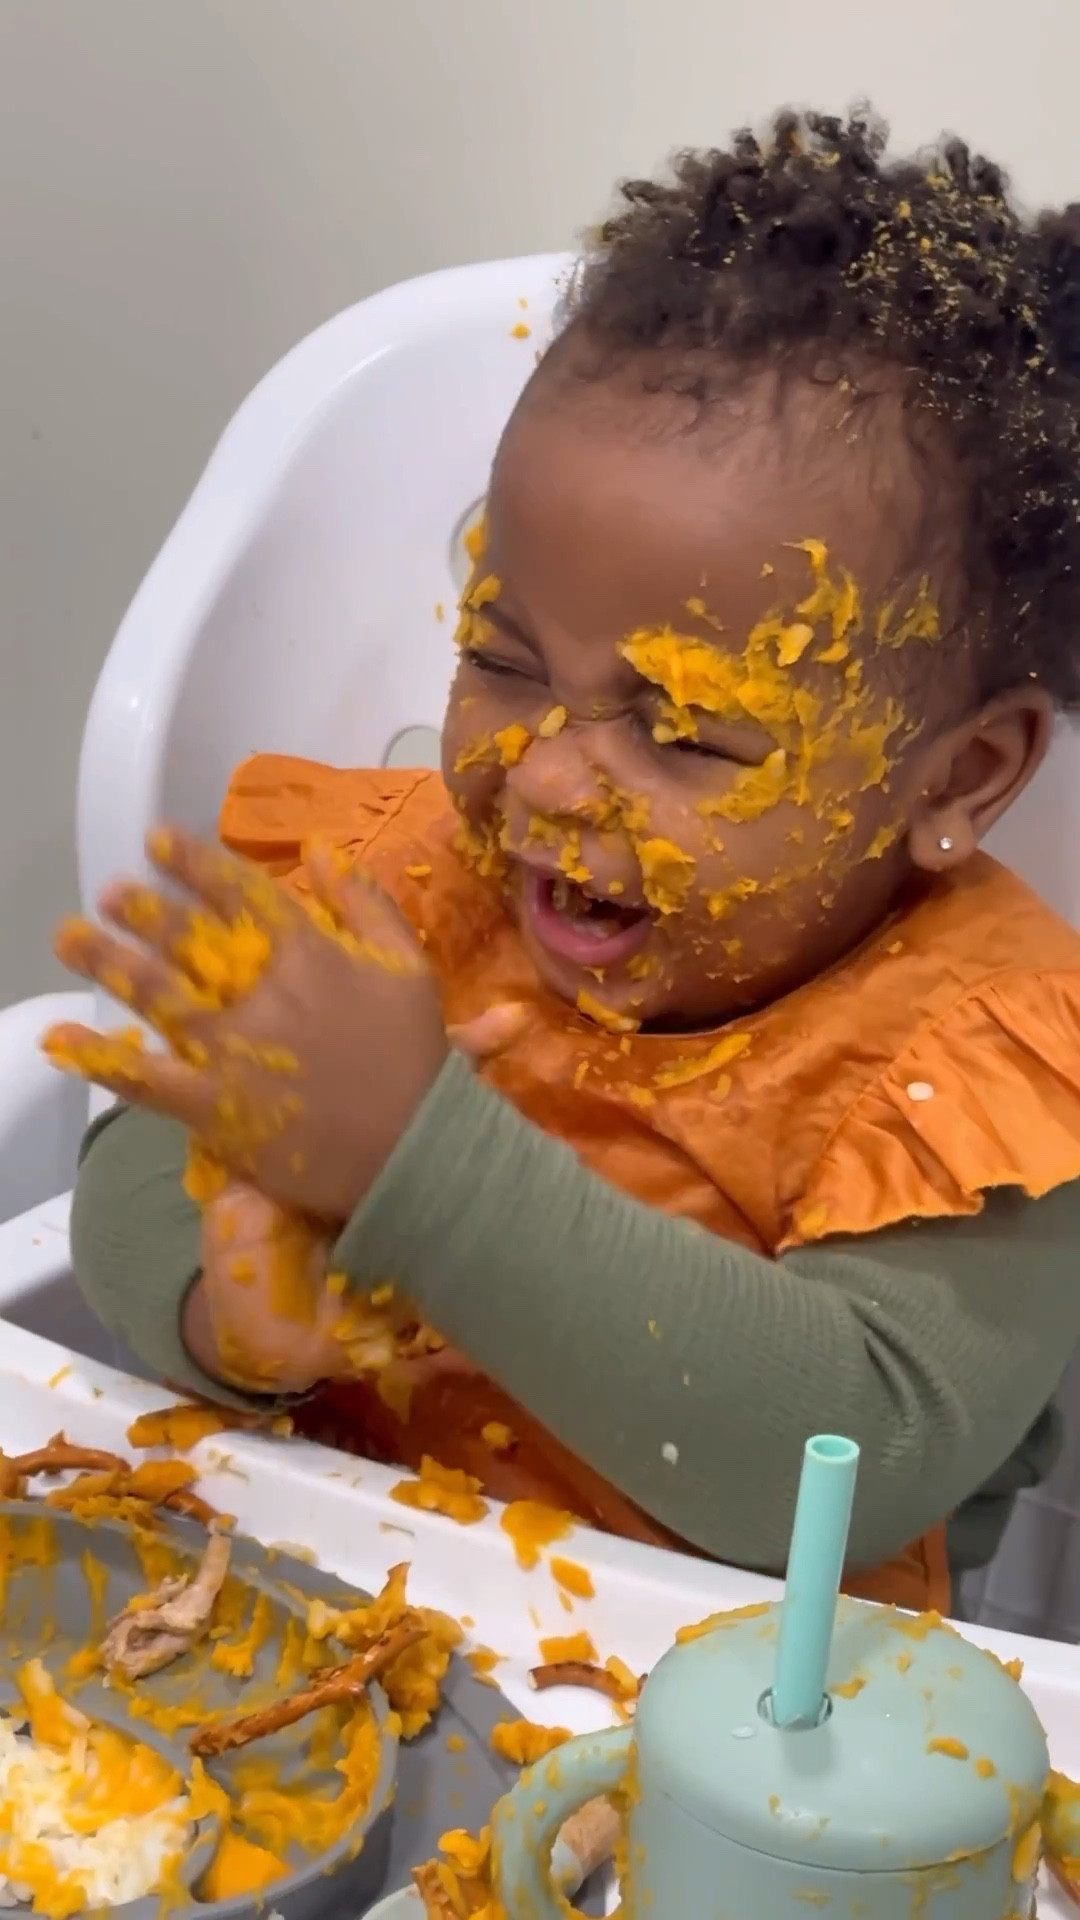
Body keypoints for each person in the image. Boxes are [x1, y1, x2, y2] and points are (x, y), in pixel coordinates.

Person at [50, 110, 1080, 1616]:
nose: (542, 778)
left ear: (962, 776)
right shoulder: (395, 883)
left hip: (740, 1758)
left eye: (685, 732)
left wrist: (419, 1157)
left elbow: (849, 1444)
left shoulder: (981, 1065)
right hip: (309, 1624)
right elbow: (137, 1156)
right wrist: (230, 1310)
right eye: (504, 657)